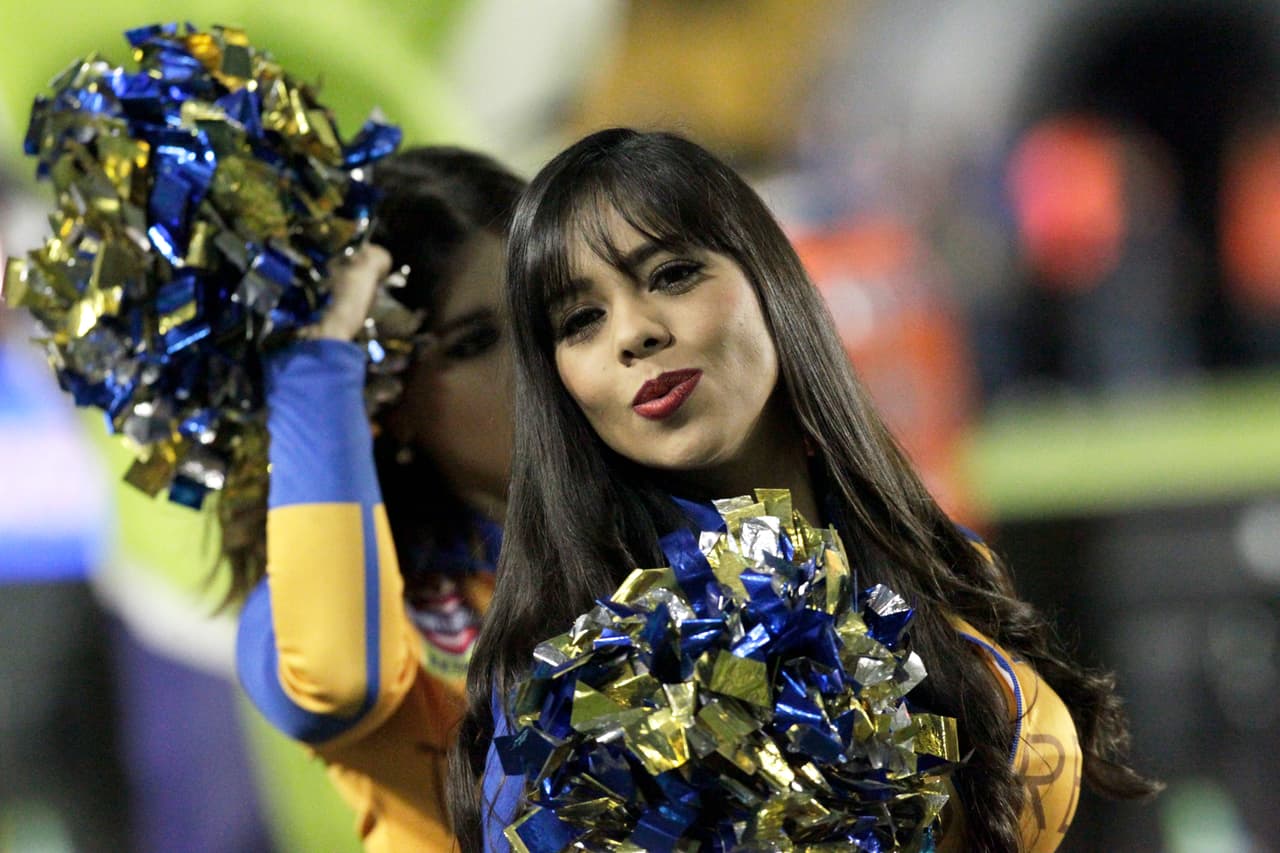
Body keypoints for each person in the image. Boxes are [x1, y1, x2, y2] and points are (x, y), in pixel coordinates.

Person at [447, 129, 1160, 852]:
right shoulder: (584, 676)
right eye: (581, 321)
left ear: (770, 284)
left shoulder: (937, 565)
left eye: (671, 274)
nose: (632, 332)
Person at [232, 146, 525, 851]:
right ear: (389, 399)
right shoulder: (361, 609)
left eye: (556, 309)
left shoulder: (688, 524)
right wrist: (315, 365)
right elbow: (336, 677)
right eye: (476, 341)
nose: (540, 363)